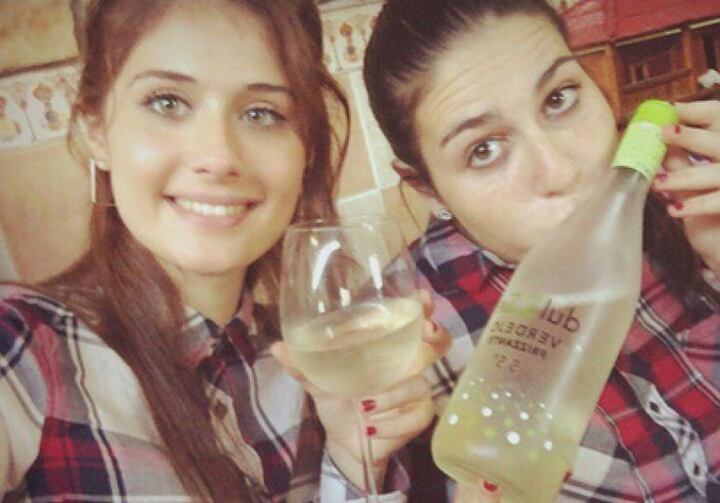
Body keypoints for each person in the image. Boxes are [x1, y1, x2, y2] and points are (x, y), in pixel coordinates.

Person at [0, 0, 447, 500]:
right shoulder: (25, 348)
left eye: (262, 113)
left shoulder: (307, 362)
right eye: (167, 102)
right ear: (96, 128)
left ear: (306, 149)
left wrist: (352, 458)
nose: (218, 157)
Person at [362, 0, 720, 500]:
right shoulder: (409, 326)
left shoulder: (698, 202)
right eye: (484, 149)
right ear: (428, 189)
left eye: (559, 98)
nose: (562, 170)